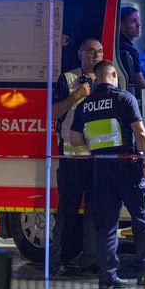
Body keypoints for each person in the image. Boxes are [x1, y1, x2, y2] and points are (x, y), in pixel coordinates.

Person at [69, 60, 145, 289]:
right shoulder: (124, 98)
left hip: (101, 169)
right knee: (142, 219)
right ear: (114, 74)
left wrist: (97, 147)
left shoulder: (86, 104)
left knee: (107, 224)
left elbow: (74, 139)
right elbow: (140, 132)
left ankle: (108, 276)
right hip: (128, 166)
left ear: (96, 77)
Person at [50, 38, 101, 276]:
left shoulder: (107, 79)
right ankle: (57, 260)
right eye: (90, 52)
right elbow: (54, 112)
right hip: (71, 160)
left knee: (95, 211)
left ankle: (90, 261)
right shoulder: (67, 79)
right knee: (67, 211)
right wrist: (76, 95)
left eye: (99, 52)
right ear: (80, 54)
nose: (95, 57)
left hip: (98, 159)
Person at [119, 6, 145, 91]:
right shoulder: (130, 51)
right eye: (133, 21)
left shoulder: (117, 45)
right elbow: (140, 83)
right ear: (122, 25)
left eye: (138, 20)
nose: (138, 24)